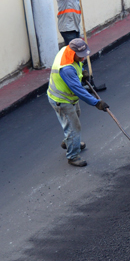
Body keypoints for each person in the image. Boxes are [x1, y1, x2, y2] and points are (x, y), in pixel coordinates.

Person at [47, 38, 109, 167]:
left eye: (84, 55)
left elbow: (77, 67)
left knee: (76, 117)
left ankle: (69, 141)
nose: (83, 59)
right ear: (72, 52)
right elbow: (79, 90)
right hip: (61, 100)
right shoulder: (67, 69)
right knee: (74, 128)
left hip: (68, 97)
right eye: (80, 56)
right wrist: (97, 103)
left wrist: (81, 74)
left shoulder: (67, 50)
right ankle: (73, 156)